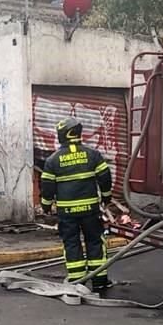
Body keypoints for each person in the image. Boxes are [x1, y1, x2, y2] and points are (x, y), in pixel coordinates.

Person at [40, 117, 113, 290]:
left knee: (72, 243)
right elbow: (105, 178)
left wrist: (46, 206)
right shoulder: (93, 155)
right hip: (90, 211)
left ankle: (77, 281)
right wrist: (106, 197)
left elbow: (47, 186)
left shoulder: (53, 160)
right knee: (95, 242)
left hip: (67, 212)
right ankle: (99, 281)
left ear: (62, 134)